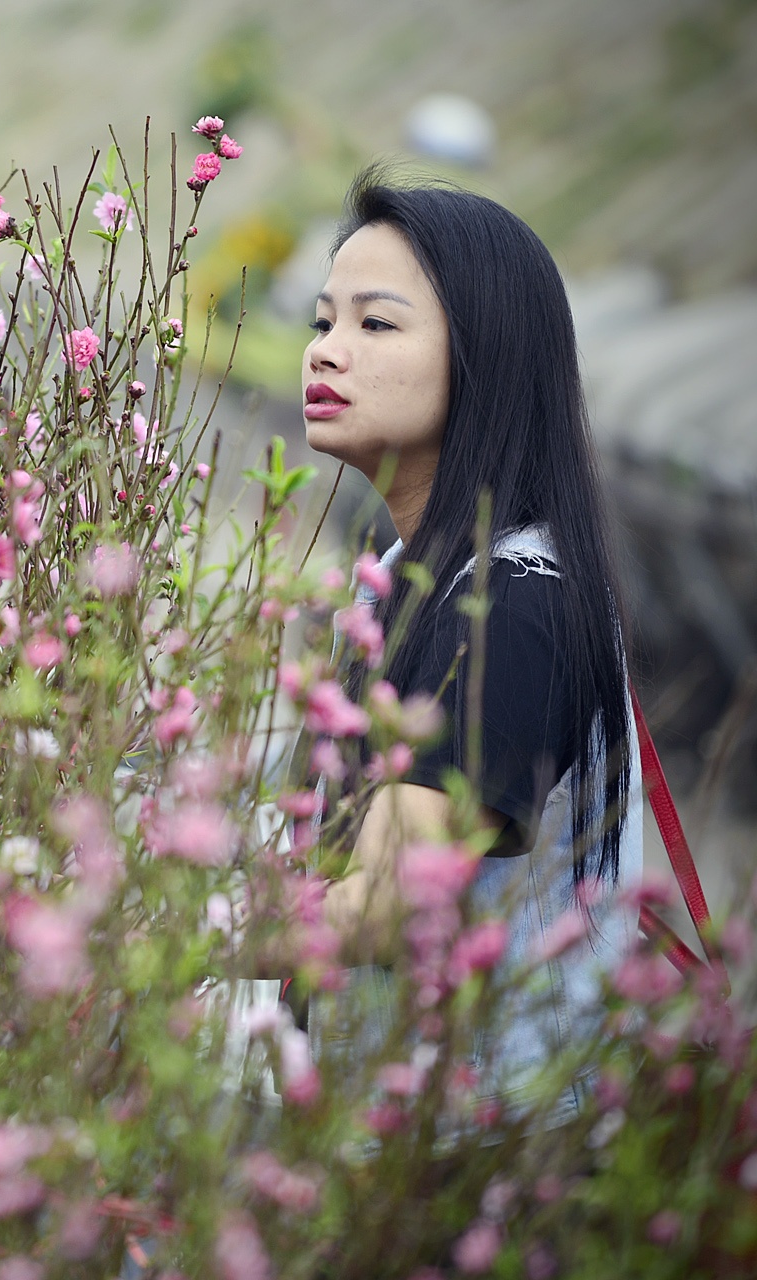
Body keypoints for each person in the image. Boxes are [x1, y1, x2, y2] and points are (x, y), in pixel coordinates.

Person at [296, 170, 644, 1123]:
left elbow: (380, 909)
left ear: (485, 358)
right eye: (322, 322)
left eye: (376, 325)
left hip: (497, 1150)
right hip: (424, 1134)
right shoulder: (419, 571)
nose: (326, 352)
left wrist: (137, 925)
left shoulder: (514, 605)